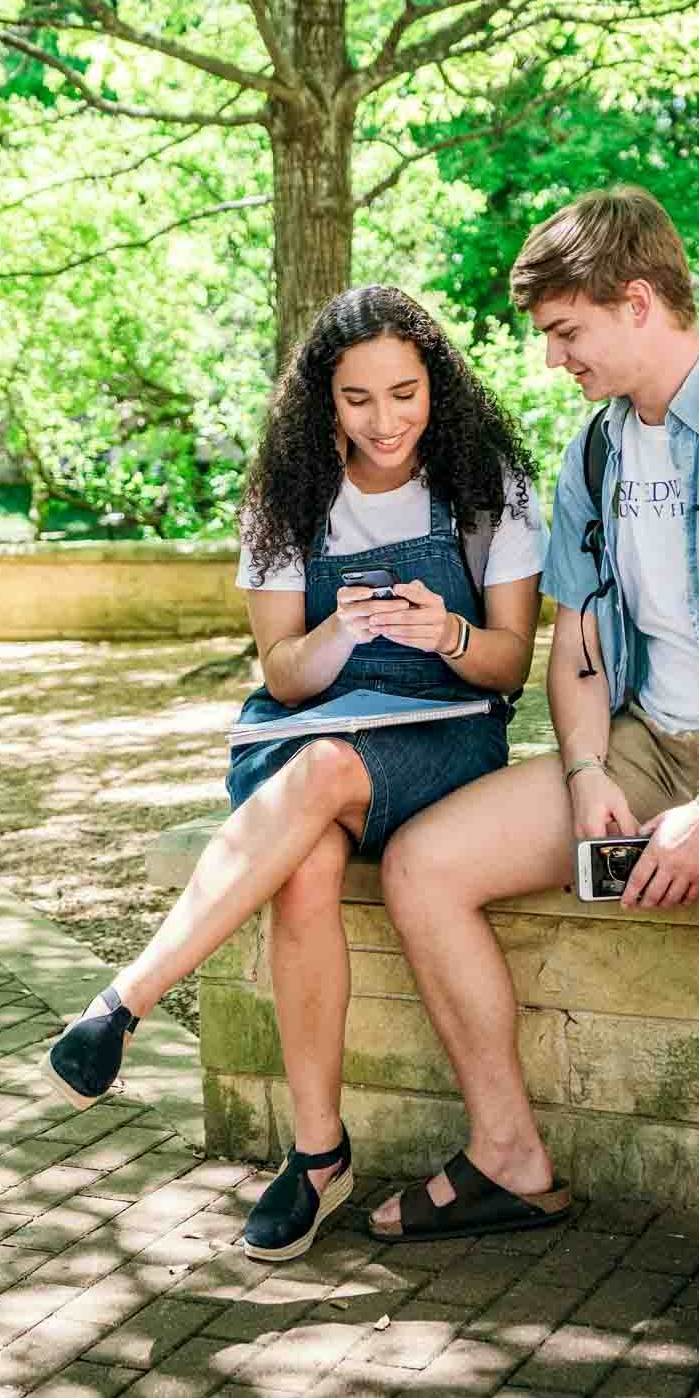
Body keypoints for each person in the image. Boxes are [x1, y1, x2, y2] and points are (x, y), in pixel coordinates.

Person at [371, 187, 699, 1398]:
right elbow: (578, 643)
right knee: (422, 863)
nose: (551, 359)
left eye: (566, 331)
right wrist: (580, 771)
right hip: (643, 741)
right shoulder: (598, 447)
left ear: (636, 300)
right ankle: (509, 1157)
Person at [42, 284, 545, 1262]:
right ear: (324, 402)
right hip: (310, 725)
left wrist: (445, 630)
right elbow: (280, 672)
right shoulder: (284, 496)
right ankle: (316, 1155)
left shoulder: (487, 481)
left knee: (318, 776)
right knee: (306, 861)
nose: (386, 420)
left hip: (443, 733)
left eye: (404, 393)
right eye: (359, 399)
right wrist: (334, 633)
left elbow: (509, 665)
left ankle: (125, 1002)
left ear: (435, 385)